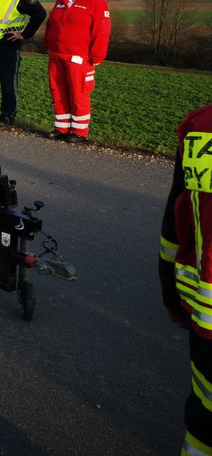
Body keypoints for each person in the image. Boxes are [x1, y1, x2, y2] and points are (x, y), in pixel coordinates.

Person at [159, 104, 212, 455]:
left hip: (207, 315)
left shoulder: (202, 126)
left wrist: (170, 292)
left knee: (205, 421)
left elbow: (178, 218)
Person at [41, 0, 111, 143]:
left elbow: (102, 31)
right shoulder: (62, 0)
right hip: (57, 54)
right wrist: (48, 44)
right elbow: (51, 24)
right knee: (58, 91)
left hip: (79, 57)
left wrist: (97, 56)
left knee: (78, 93)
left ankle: (79, 131)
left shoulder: (97, 3)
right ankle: (61, 127)